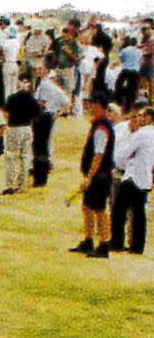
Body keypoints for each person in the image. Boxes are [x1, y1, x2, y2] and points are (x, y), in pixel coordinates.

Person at [68, 91, 116, 258]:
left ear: (99, 105)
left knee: (99, 210)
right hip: (97, 175)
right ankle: (88, 240)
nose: (89, 107)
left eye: (92, 104)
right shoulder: (98, 125)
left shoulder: (102, 127)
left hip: (99, 176)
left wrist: (90, 176)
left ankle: (104, 243)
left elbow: (99, 154)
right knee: (87, 207)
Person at [110, 106, 153, 254]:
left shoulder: (142, 133)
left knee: (119, 210)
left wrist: (118, 159)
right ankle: (137, 246)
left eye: (142, 116)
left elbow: (123, 153)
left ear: (149, 118)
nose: (139, 119)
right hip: (146, 176)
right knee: (139, 213)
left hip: (133, 176)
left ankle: (116, 242)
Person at [1, 73, 40, 195]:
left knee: (11, 157)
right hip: (27, 128)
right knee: (25, 156)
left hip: (14, 128)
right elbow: (36, 116)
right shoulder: (32, 99)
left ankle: (11, 184)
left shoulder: (12, 98)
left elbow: (6, 114)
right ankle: (22, 185)